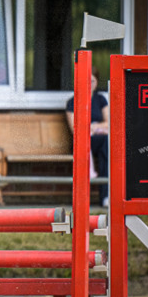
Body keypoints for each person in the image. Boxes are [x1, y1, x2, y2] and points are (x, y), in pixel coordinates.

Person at [66, 66, 109, 206]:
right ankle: (82, 201)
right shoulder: (72, 102)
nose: (90, 85)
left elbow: (108, 123)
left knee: (106, 148)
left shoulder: (101, 99)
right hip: (81, 140)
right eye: (87, 81)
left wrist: (94, 127)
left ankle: (105, 197)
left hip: (98, 138)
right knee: (100, 146)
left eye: (93, 81)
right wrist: (88, 129)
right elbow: (74, 128)